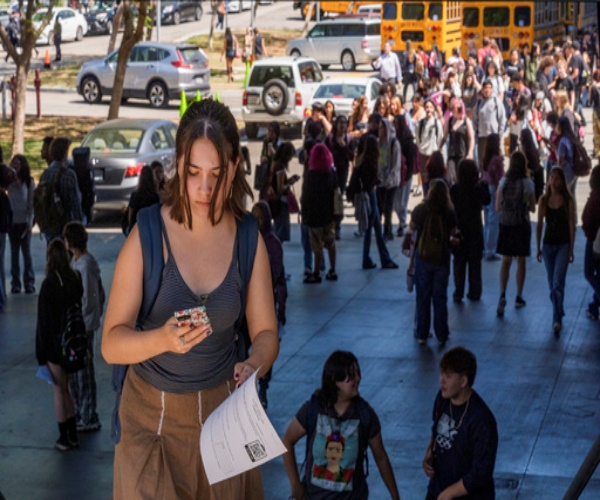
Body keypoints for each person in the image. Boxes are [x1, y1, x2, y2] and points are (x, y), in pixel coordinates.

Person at [101, 99, 279, 498]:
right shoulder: (147, 236)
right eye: (194, 172)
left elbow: (266, 330)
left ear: (234, 167)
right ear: (178, 164)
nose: (204, 188)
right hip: (152, 422)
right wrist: (162, 339)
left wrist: (255, 363)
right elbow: (111, 344)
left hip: (223, 422)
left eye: (216, 173)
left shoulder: (249, 239)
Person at [282, 350, 400, 500]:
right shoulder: (313, 409)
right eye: (351, 376)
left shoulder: (365, 415)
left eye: (358, 373)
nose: (358, 379)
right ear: (335, 380)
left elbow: (381, 457)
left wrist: (395, 496)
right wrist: (295, 485)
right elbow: (287, 441)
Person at [422, 347, 498, 499]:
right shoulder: (443, 399)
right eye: (441, 373)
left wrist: (449, 494)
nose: (441, 380)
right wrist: (428, 454)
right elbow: (435, 431)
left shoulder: (482, 421)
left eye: (448, 376)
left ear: (463, 381)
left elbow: (480, 473)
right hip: (438, 490)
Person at [36, 238, 84, 451]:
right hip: (72, 342)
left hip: (55, 346)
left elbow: (43, 322)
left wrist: (40, 353)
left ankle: (64, 436)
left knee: (59, 389)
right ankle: (73, 434)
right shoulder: (75, 277)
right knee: (67, 390)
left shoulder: (49, 285)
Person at [62, 222, 103, 431]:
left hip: (84, 326)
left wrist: (80, 318)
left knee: (84, 372)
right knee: (78, 372)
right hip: (82, 324)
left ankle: (88, 414)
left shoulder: (84, 266)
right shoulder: (79, 262)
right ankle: (82, 411)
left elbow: (89, 298)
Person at [410, 179, 458, 346]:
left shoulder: (421, 209)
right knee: (440, 297)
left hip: (423, 257)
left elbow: (412, 227)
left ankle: (422, 333)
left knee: (422, 297)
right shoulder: (449, 211)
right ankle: (442, 333)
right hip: (441, 258)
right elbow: (454, 233)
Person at [251, 201, 286, 410]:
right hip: (258, 305)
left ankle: (261, 385)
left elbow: (279, 279)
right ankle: (259, 385)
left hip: (262, 304)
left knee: (263, 346)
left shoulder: (262, 243)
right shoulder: (268, 243)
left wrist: (282, 308)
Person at [495, 152, 536, 317]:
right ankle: (519, 296)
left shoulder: (503, 182)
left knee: (505, 261)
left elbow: (497, 207)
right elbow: (533, 208)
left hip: (506, 225)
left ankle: (502, 294)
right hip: (521, 225)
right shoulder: (527, 183)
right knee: (521, 261)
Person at [536, 168, 575, 335]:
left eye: (557, 177)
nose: (554, 180)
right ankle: (559, 309)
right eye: (552, 177)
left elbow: (571, 225)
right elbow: (539, 225)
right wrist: (537, 246)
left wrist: (572, 248)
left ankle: (556, 319)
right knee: (552, 284)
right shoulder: (544, 200)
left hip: (563, 245)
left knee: (557, 283)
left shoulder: (568, 200)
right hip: (548, 245)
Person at [352, 134, 398, 271]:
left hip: (367, 195)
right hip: (370, 194)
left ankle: (381, 258)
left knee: (375, 228)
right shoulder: (370, 162)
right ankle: (378, 258)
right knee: (371, 228)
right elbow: (369, 182)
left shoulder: (361, 159)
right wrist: (377, 180)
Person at [450, 160, 491, 302]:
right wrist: (483, 184)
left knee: (459, 263)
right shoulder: (477, 189)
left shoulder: (455, 189)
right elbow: (487, 200)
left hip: (459, 229)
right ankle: (474, 291)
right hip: (475, 231)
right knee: (475, 264)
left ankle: (458, 291)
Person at [301, 143, 337, 284]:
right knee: (330, 242)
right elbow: (336, 191)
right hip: (329, 214)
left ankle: (316, 272)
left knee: (317, 246)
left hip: (314, 215)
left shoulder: (310, 176)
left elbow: (306, 197)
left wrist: (304, 214)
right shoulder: (331, 174)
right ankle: (332, 269)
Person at [37, 137, 83, 241]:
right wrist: (79, 224)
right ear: (65, 153)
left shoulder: (45, 174)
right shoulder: (69, 174)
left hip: (50, 225)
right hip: (66, 226)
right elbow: (75, 203)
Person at [7, 155, 35, 294]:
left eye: (18, 164)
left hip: (24, 223)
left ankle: (29, 283)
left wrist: (30, 223)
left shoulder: (29, 182)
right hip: (12, 223)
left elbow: (31, 204)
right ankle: (15, 284)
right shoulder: (9, 182)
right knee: (14, 255)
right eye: (13, 163)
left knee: (27, 254)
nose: (15, 165)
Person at [472, 80, 506, 172]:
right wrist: (475, 133)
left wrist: (500, 134)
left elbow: (502, 118)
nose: (487, 90)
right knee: (482, 162)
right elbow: (474, 120)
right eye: (485, 88)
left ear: (491, 89)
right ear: (482, 90)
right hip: (481, 137)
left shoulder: (496, 101)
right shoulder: (479, 103)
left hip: (493, 137)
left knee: (493, 161)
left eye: (489, 88)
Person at [481, 134, 504, 261]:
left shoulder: (485, 158)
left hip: (485, 187)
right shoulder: (497, 160)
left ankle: (486, 247)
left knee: (487, 219)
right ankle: (491, 249)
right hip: (494, 188)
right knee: (494, 220)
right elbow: (500, 178)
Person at [440, 99, 474, 186]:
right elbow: (444, 137)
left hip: (463, 155)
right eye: (456, 109)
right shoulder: (450, 121)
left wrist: (470, 153)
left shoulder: (466, 121)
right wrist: (439, 148)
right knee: (451, 179)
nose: (459, 111)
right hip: (452, 156)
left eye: (460, 108)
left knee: (463, 180)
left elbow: (472, 138)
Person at [377, 118, 402, 241]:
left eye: (383, 128)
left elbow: (396, 165)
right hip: (380, 180)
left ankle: (388, 232)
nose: (380, 130)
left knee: (388, 207)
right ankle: (381, 231)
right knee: (380, 207)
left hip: (391, 181)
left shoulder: (394, 143)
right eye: (379, 127)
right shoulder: (379, 143)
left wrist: (389, 180)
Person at [582, 165, 600, 320]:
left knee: (589, 273)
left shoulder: (595, 198)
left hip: (595, 241)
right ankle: (594, 306)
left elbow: (587, 221)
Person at [415, 99, 443, 197]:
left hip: (433, 156)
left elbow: (440, 139)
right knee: (424, 179)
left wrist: (436, 150)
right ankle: (426, 199)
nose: (428, 110)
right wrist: (422, 148)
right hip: (423, 155)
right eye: (427, 107)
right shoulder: (420, 124)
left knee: (434, 179)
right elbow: (417, 139)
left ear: (434, 109)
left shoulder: (437, 123)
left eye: (431, 107)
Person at [125, 165, 160, 236]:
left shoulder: (135, 195)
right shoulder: (154, 196)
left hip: (136, 227)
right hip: (150, 228)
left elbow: (130, 212)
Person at [589, 69, 600, 158]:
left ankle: (597, 151)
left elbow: (590, 101)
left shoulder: (593, 88)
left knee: (596, 133)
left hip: (596, 112)